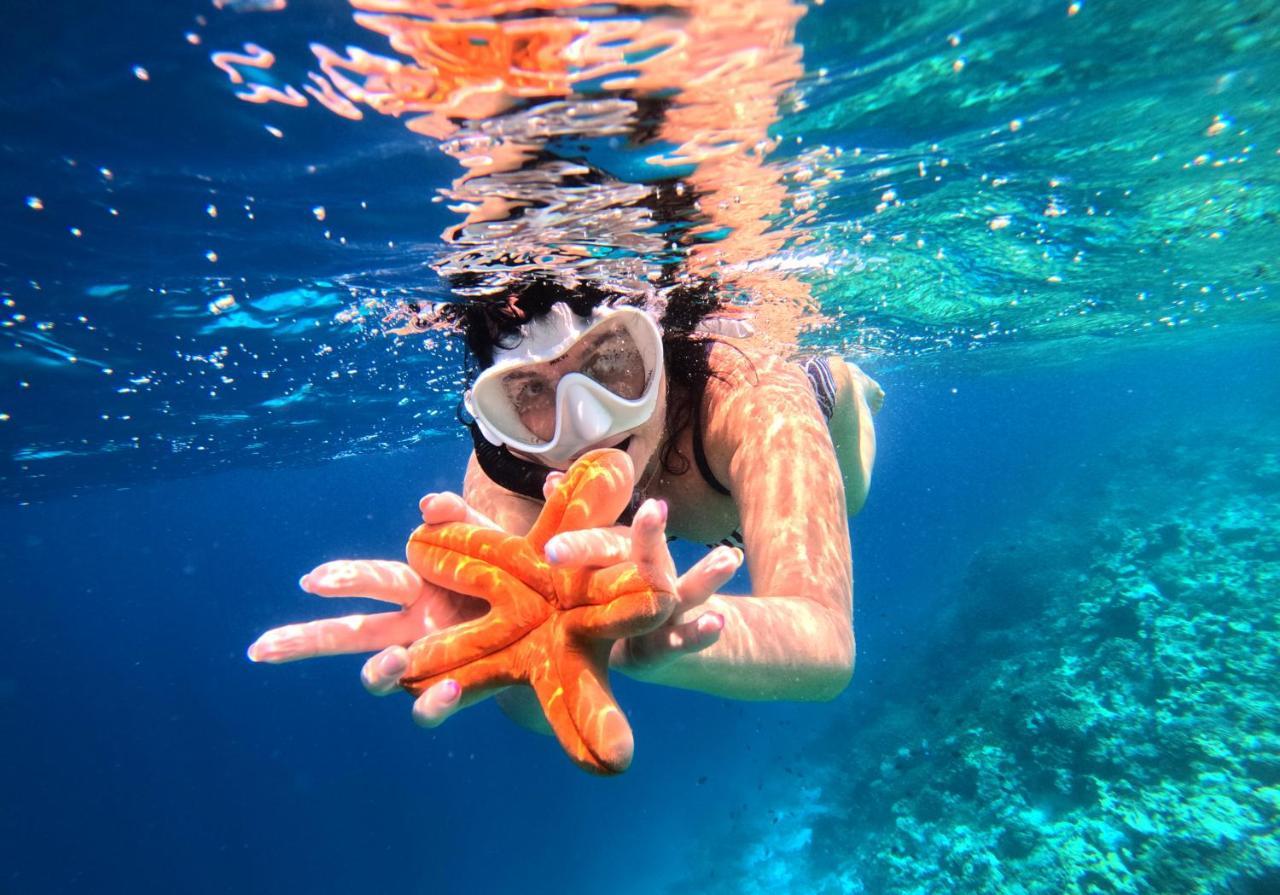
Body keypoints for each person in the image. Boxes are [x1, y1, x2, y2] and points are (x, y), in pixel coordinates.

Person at [248, 277, 884, 735]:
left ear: (659, 345)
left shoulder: (748, 398)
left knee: (849, 499)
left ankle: (841, 383)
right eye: (526, 390)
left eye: (610, 359)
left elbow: (827, 644)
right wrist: (503, 636)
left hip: (807, 418)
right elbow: (530, 704)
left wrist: (713, 637)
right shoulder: (508, 479)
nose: (584, 424)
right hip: (709, 520)